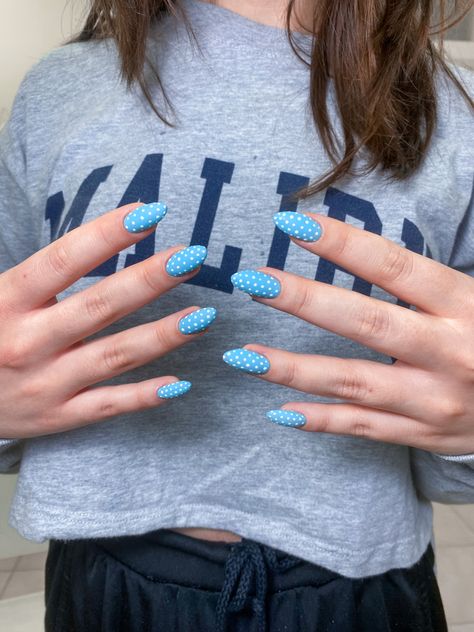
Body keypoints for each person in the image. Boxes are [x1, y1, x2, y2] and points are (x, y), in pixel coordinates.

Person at [0, 0, 473, 629]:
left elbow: (454, 468)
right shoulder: (60, 86)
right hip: (103, 580)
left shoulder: (459, 111)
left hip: (360, 587)